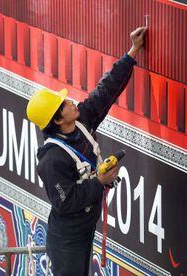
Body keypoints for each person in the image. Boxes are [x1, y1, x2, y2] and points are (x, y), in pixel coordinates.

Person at [26, 26, 147, 276]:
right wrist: (99, 182)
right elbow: (65, 201)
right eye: (64, 104)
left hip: (86, 227)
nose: (71, 102)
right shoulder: (51, 160)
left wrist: (133, 51)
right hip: (67, 239)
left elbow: (106, 90)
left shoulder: (82, 120)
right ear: (58, 120)